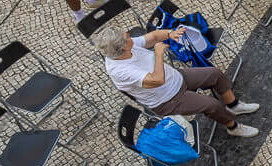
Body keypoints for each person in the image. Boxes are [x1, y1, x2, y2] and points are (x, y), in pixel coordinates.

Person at [96, 26, 259, 136]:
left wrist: (169, 34)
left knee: (214, 74)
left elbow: (152, 36)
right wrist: (159, 54)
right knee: (212, 104)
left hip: (176, 77)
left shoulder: (128, 46)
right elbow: (157, 80)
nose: (131, 37)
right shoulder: (121, 71)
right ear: (124, 47)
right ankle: (233, 127)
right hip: (168, 99)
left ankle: (233, 105)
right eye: (128, 38)